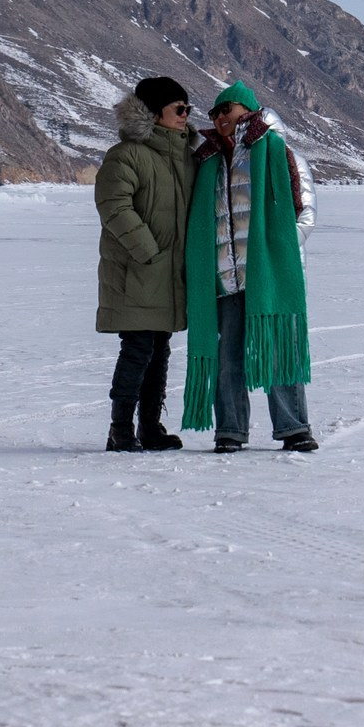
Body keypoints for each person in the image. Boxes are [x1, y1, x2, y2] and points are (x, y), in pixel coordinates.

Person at [182, 81, 317, 452]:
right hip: (225, 277)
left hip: (269, 275)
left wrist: (273, 256)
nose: (220, 117)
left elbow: (303, 216)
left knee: (276, 350)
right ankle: (230, 430)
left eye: (227, 109)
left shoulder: (278, 152)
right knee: (228, 360)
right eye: (214, 112)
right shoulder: (208, 161)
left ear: (249, 109)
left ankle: (294, 429)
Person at [94, 75, 199, 451]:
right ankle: (119, 428)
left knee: (159, 350)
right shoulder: (126, 155)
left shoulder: (186, 156)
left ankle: (149, 427)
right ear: (155, 114)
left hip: (168, 274)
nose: (186, 115)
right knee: (138, 349)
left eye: (188, 109)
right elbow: (113, 206)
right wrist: (148, 251)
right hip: (137, 271)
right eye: (179, 109)